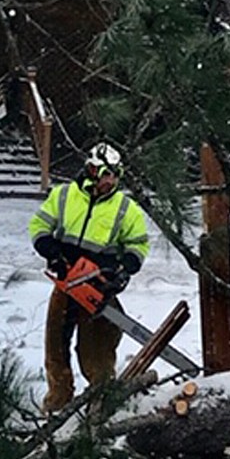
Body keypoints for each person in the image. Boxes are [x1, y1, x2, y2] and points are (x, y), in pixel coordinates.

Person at [27, 141, 150, 412]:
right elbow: (39, 225)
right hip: (67, 277)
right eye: (107, 174)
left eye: (115, 174)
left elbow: (138, 244)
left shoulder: (125, 208)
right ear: (92, 170)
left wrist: (125, 267)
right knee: (55, 344)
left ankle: (101, 399)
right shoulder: (64, 195)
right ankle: (58, 401)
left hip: (98, 282)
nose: (111, 180)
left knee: (97, 348)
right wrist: (52, 252)